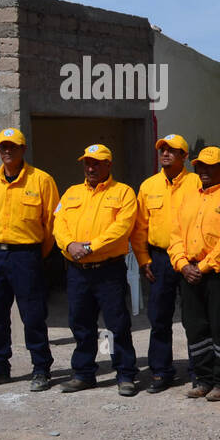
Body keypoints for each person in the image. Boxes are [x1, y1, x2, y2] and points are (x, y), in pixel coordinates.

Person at [0, 127, 60, 391]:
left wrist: (36, 254)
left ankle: (41, 368)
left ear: (23, 149)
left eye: (13, 146)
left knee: (32, 313)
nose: (7, 151)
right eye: (3, 146)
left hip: (27, 256)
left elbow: (52, 223)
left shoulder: (41, 180)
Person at [53, 144, 140, 396]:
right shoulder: (70, 193)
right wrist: (70, 244)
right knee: (80, 322)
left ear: (109, 165)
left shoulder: (122, 193)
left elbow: (121, 228)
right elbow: (59, 224)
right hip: (77, 270)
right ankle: (83, 373)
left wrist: (89, 247)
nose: (91, 168)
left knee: (116, 323)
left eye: (97, 163)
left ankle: (125, 374)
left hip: (108, 270)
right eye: (87, 163)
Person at [167, 147, 220, 401]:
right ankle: (203, 378)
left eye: (210, 167)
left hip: (218, 274)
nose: (204, 171)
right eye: (200, 166)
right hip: (189, 272)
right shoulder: (188, 198)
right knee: (195, 328)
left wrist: (203, 267)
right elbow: (174, 234)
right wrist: (182, 264)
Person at [131, 133, 201, 393]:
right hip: (159, 259)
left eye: (172, 150)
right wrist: (143, 258)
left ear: (184, 156)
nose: (166, 154)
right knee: (159, 317)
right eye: (162, 149)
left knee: (193, 318)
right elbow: (139, 228)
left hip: (190, 259)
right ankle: (161, 371)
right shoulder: (149, 186)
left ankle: (198, 370)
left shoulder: (197, 182)